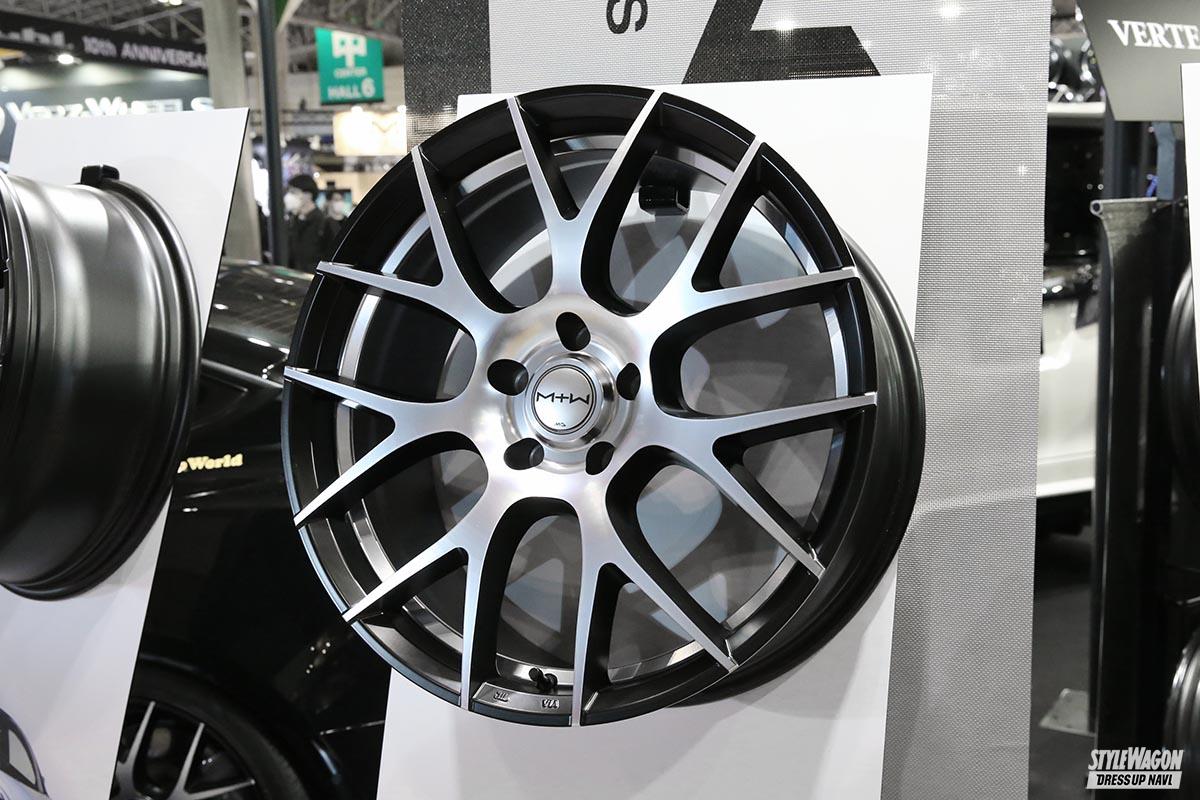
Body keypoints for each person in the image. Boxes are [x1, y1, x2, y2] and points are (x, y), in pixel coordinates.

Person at [284, 174, 335, 272]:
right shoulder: (292, 222)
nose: (289, 196)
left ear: (308, 194)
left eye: (294, 192)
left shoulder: (325, 222)